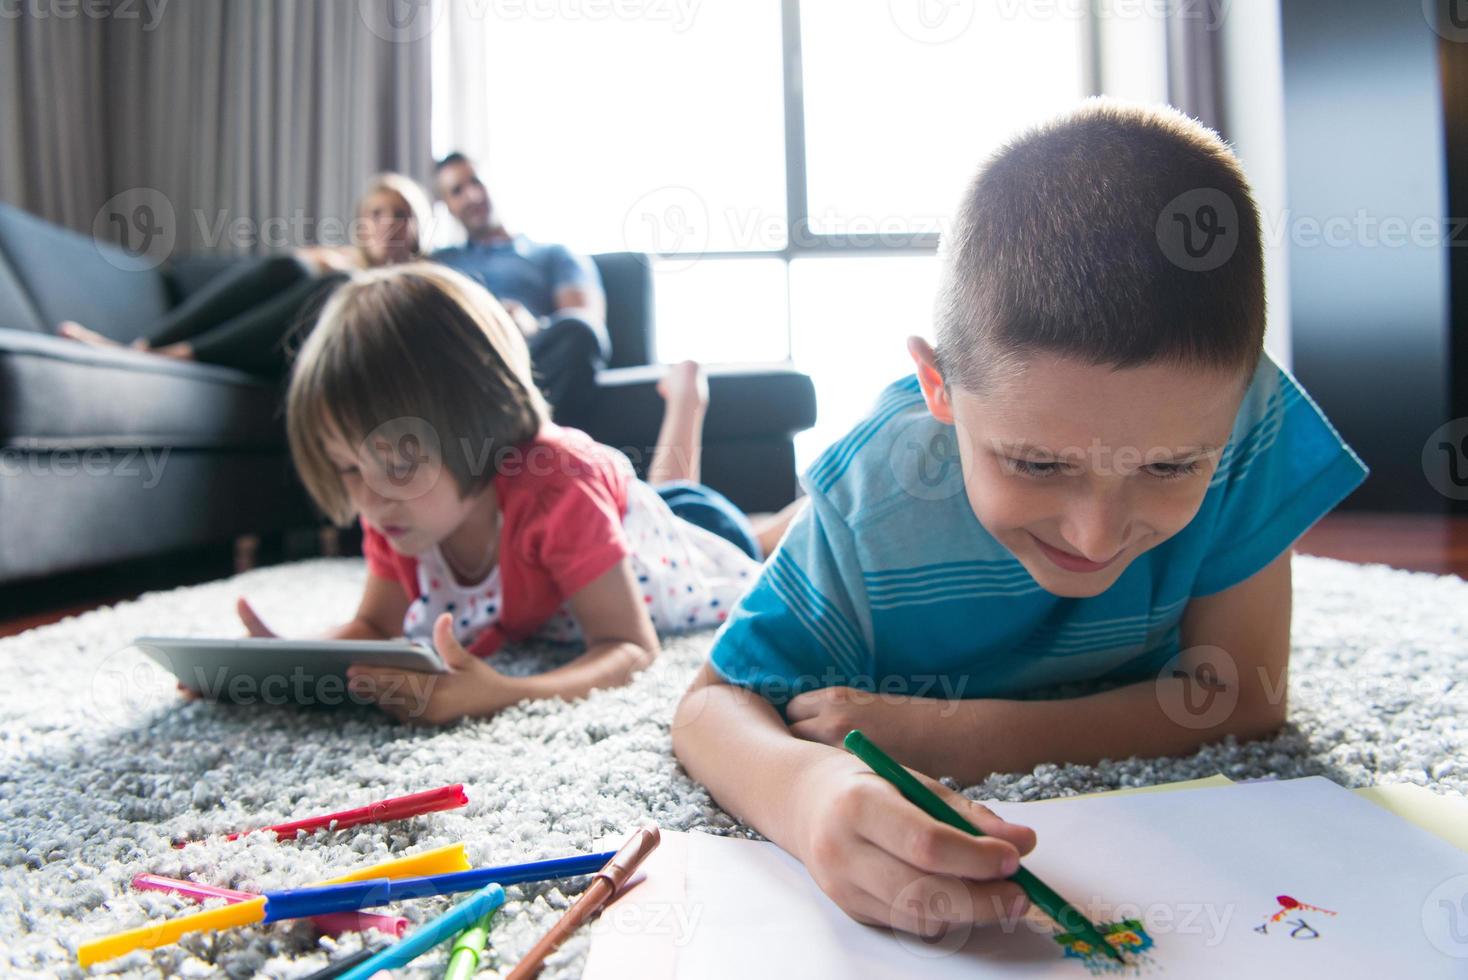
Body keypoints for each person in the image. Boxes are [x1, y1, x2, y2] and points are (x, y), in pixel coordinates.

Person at [671, 99, 1369, 938]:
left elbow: (1244, 697)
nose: (1096, 536)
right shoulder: (872, 504)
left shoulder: (1253, 424)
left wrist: (954, 735)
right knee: (711, 538)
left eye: (1171, 467)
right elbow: (709, 709)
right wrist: (804, 791)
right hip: (864, 501)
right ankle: (764, 527)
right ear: (940, 386)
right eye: (1038, 464)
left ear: (1243, 399)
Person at [222, 262, 800, 725]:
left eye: (399, 466)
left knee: (748, 534)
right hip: (604, 523)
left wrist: (501, 692)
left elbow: (629, 647)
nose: (369, 502)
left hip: (668, 537)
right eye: (347, 467)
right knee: (684, 495)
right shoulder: (398, 511)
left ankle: (693, 406)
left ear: (479, 424)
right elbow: (372, 627)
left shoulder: (557, 488)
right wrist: (284, 663)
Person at [57, 173, 433, 376]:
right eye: (376, 214)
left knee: (339, 288)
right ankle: (141, 349)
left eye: (401, 215)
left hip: (329, 356)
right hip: (274, 342)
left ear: (418, 224)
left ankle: (171, 358)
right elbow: (294, 267)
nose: (388, 225)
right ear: (361, 224)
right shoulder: (341, 262)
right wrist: (332, 262)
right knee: (290, 268)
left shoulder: (424, 280)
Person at [431, 152, 609, 428]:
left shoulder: (553, 255)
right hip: (465, 367)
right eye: (457, 191)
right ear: (448, 206)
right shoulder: (439, 264)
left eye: (476, 182)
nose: (473, 196)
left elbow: (588, 322)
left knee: (579, 331)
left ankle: (529, 443)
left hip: (531, 362)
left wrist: (534, 326)